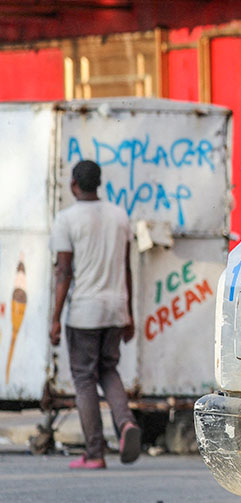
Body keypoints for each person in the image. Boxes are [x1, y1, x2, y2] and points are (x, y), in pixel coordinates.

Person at [50, 160, 142, 469]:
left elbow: (63, 272)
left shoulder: (66, 219)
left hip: (84, 313)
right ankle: (126, 422)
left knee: (84, 378)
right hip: (115, 308)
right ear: (98, 183)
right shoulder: (119, 216)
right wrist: (128, 314)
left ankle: (94, 452)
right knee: (108, 370)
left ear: (74, 183)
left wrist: (54, 318)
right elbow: (126, 268)